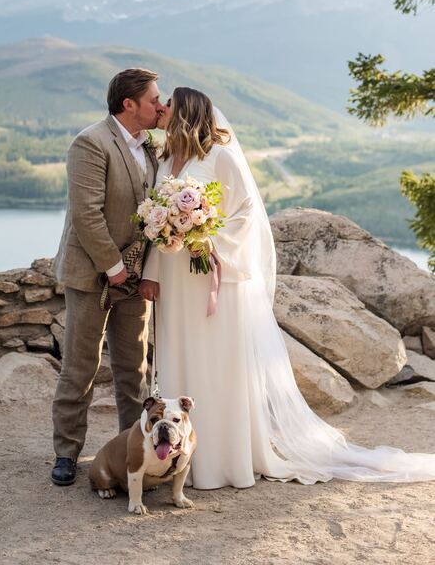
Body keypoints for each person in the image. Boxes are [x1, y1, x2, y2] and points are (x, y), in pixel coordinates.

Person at [139, 87, 435, 488]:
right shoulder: (165, 159)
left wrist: (208, 239)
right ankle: (177, 458)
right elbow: (159, 223)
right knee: (182, 355)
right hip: (175, 281)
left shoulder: (220, 157)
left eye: (168, 104)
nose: (161, 108)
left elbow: (246, 214)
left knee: (214, 364)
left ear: (186, 112)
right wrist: (153, 272)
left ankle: (223, 460)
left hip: (212, 276)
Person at [51, 68, 164, 486]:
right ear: (128, 104)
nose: (161, 106)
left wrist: (140, 271)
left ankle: (129, 454)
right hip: (91, 276)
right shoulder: (90, 142)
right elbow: (86, 214)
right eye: (154, 99)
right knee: (80, 367)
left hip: (134, 280)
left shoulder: (152, 147)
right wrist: (114, 268)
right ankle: (66, 453)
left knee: (134, 371)